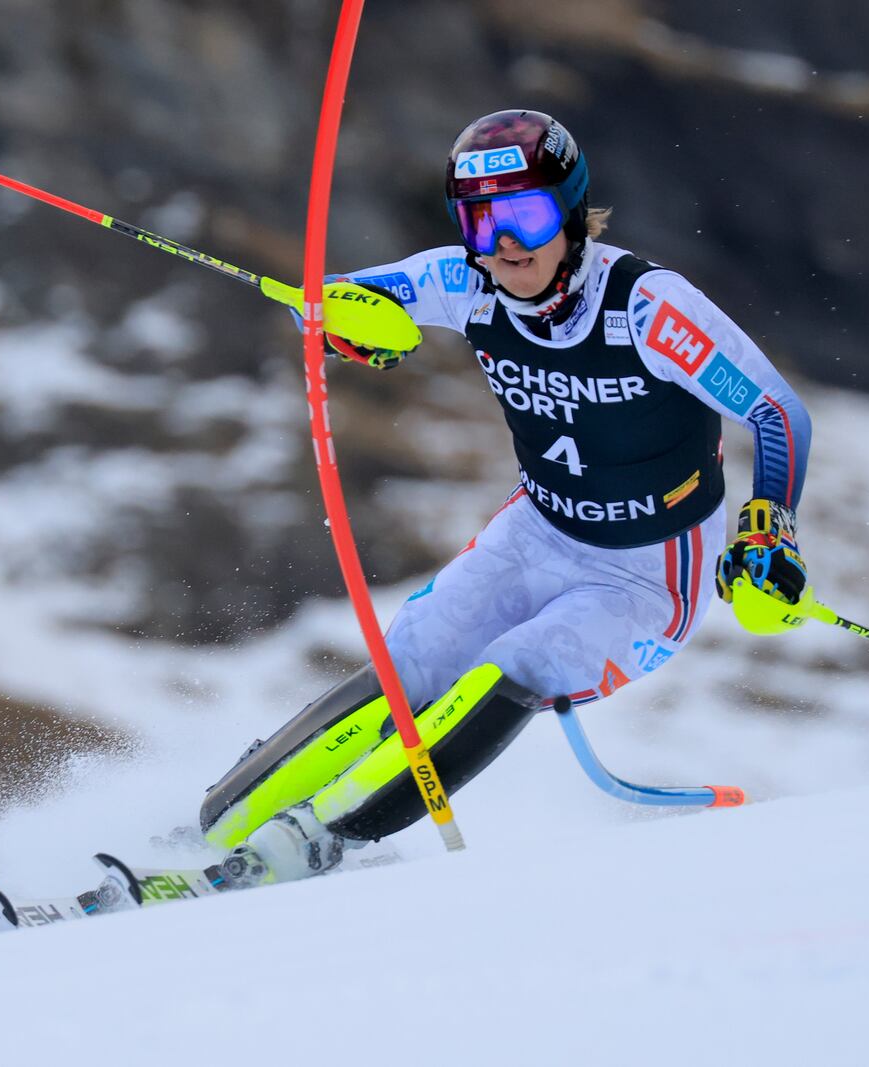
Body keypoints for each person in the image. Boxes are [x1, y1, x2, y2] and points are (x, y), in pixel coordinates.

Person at [196, 109, 812, 888]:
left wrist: (768, 525)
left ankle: (314, 840)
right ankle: (216, 825)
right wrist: (341, 323)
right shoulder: (465, 282)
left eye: (524, 215)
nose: (505, 243)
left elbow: (775, 411)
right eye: (480, 221)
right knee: (413, 652)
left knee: (517, 661)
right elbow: (320, 301)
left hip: (645, 575)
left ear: (572, 212)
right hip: (538, 533)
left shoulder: (649, 309)